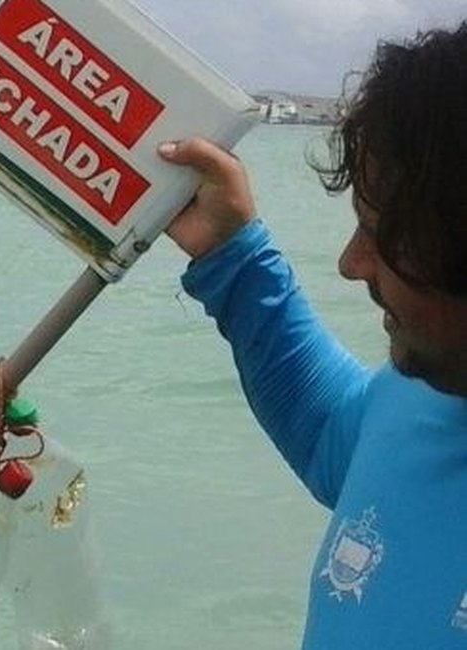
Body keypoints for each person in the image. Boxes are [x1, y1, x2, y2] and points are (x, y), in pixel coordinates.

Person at [157, 21, 467, 649]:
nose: (352, 264)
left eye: (382, 233)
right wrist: (234, 256)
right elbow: (332, 430)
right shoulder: (422, 401)